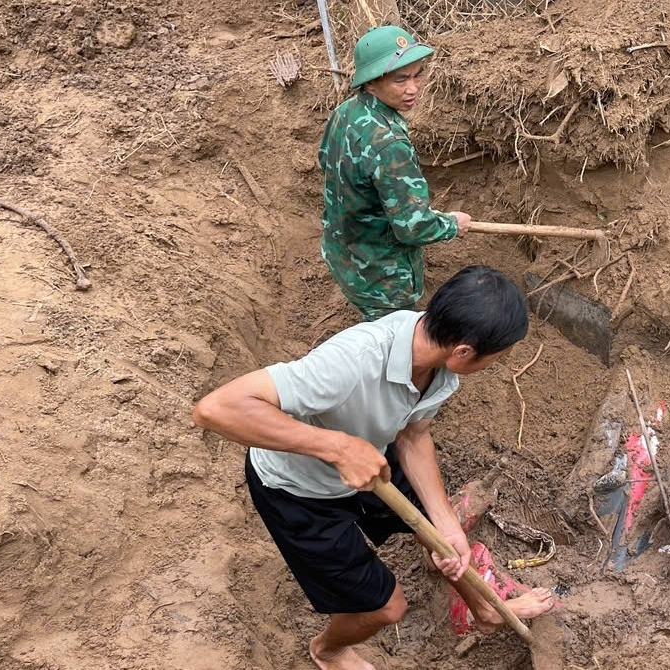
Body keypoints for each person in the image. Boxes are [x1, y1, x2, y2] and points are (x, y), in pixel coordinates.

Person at [193, 266, 554, 670]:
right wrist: (338, 447)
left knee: (442, 537)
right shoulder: (352, 361)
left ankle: (485, 612)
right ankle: (327, 651)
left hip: (372, 464)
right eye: (497, 357)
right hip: (298, 491)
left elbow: (414, 436)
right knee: (384, 609)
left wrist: (445, 523)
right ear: (464, 351)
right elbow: (215, 409)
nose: (498, 364)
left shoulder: (436, 365)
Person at [319, 24, 474, 321]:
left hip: (344, 253)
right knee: (392, 346)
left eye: (418, 75)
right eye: (400, 79)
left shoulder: (346, 112)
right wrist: (451, 224)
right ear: (371, 83)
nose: (413, 88)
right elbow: (413, 228)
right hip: (381, 278)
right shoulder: (388, 144)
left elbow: (325, 161)